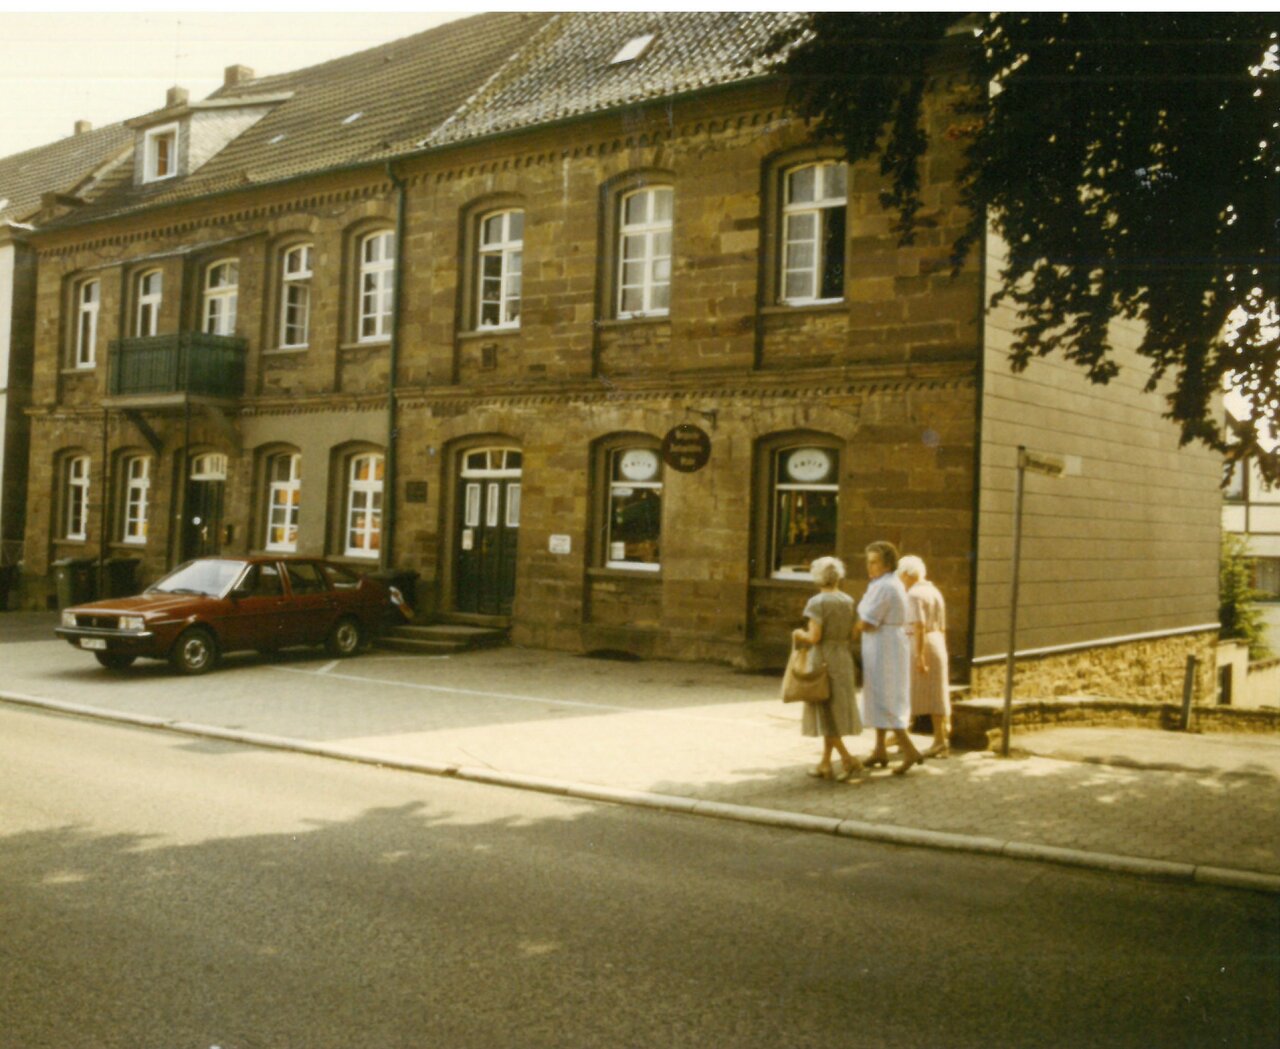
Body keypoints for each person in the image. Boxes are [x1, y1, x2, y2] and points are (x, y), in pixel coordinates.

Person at [855, 541, 926, 775]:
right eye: (868, 561)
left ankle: (910, 750)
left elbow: (867, 621)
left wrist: (851, 631)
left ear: (886, 563)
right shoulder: (881, 583)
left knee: (885, 697)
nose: (870, 566)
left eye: (874, 561)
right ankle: (879, 749)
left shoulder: (886, 586)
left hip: (884, 645)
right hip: (882, 643)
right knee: (878, 696)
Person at [791, 556, 863, 782]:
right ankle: (825, 763)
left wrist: (798, 634)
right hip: (843, 657)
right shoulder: (848, 601)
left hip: (823, 659)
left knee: (826, 711)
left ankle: (848, 759)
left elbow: (815, 636)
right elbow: (853, 633)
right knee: (834, 710)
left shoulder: (817, 602)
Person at [898, 555, 950, 757]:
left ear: (907, 574)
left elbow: (918, 626)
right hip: (937, 642)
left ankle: (934, 740)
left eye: (901, 576)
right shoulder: (934, 591)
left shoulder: (914, 595)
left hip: (923, 643)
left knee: (909, 690)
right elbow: (943, 625)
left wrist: (919, 656)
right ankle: (940, 738)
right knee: (936, 693)